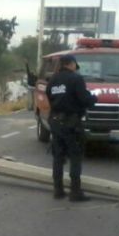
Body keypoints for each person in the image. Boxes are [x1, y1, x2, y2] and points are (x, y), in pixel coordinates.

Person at [45, 54, 98, 201]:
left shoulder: (53, 80)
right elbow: (84, 99)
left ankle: (58, 190)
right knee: (75, 157)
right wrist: (94, 98)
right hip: (71, 123)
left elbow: (49, 97)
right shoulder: (76, 79)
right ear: (71, 64)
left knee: (58, 157)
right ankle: (75, 192)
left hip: (55, 122)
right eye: (75, 64)